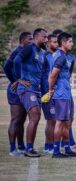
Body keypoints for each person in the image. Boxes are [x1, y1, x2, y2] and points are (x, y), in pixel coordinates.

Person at [13, 28, 48, 157]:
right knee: (35, 116)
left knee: (36, 117)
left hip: (36, 90)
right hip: (27, 89)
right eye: (44, 37)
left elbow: (43, 74)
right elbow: (16, 61)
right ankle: (28, 149)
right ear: (36, 37)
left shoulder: (42, 53)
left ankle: (29, 148)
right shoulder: (29, 48)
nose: (46, 39)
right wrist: (18, 79)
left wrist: (45, 91)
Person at [48, 32, 76, 158]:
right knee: (60, 122)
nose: (72, 44)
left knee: (66, 122)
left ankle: (67, 149)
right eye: (70, 41)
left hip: (65, 92)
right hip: (60, 93)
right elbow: (53, 75)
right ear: (63, 42)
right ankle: (56, 151)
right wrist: (51, 90)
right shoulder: (60, 57)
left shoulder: (65, 56)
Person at [3, 32, 33, 156]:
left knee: (22, 119)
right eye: (29, 39)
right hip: (15, 89)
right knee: (15, 119)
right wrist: (15, 81)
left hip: (24, 89)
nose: (32, 41)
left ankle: (21, 146)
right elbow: (6, 66)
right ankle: (12, 148)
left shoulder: (27, 52)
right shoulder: (18, 51)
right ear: (22, 40)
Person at [41, 34, 58, 154]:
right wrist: (47, 90)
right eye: (54, 42)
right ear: (48, 44)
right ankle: (50, 146)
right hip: (47, 92)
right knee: (51, 120)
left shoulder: (55, 56)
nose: (56, 44)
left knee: (54, 120)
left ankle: (48, 145)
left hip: (56, 92)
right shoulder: (45, 56)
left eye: (57, 42)